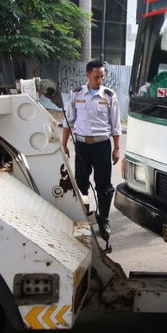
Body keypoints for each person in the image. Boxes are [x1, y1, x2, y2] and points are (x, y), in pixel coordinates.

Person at [61, 60, 121, 240]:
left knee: (104, 186)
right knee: (81, 184)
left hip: (102, 146)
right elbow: (68, 120)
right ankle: (83, 218)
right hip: (81, 146)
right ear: (87, 75)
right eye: (97, 77)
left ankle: (104, 220)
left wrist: (117, 148)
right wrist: (64, 144)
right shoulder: (77, 94)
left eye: (102, 76)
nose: (100, 80)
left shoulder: (110, 96)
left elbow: (116, 125)